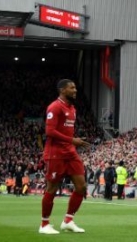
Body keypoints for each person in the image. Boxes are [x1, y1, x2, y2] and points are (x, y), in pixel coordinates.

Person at [39, 79, 91, 235]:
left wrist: (72, 142)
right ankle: (44, 224)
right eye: (72, 88)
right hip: (55, 154)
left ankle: (68, 221)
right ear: (62, 90)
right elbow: (49, 132)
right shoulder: (54, 107)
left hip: (70, 152)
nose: (75, 90)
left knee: (81, 187)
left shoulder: (72, 108)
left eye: (75, 87)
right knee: (52, 188)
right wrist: (72, 140)